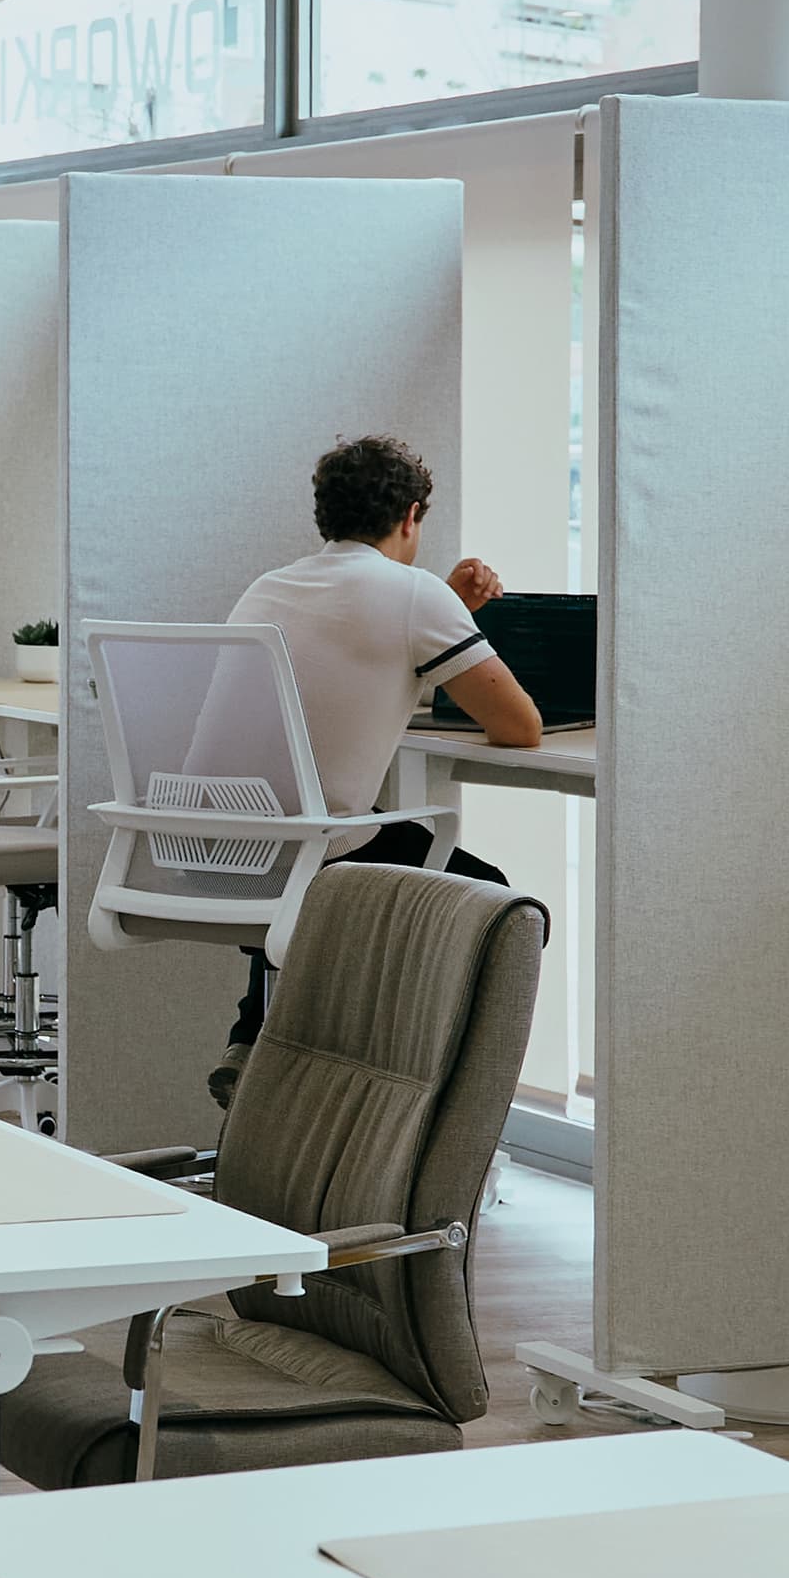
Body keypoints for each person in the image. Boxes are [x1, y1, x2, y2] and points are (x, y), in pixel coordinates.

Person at [209, 434, 543, 1105]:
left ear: (324, 514)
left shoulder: (268, 588)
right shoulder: (415, 596)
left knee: (310, 838)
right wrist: (442, 607)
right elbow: (520, 725)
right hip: (309, 855)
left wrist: (442, 608)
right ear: (411, 516)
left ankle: (256, 1039)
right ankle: (426, 1106)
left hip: (209, 849)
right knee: (502, 906)